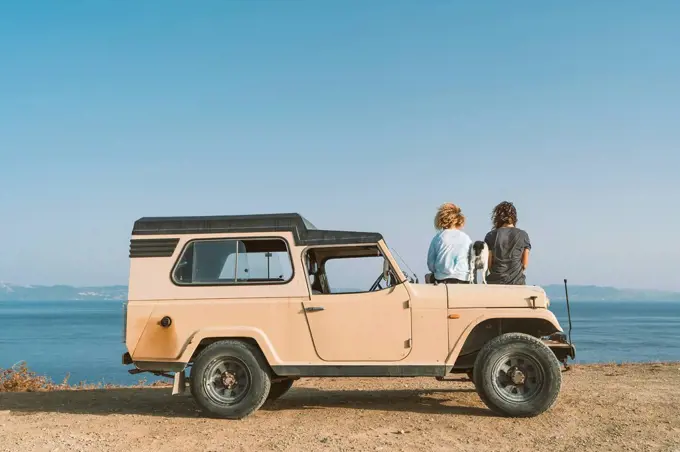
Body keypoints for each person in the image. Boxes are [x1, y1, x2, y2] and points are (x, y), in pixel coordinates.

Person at [484, 201, 531, 285]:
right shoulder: (523, 235)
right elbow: (524, 265)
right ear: (514, 217)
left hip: (495, 282)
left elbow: (489, 264)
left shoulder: (490, 235)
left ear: (498, 217)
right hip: (517, 283)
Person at [427, 203, 472, 284]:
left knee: (428, 277)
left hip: (442, 279)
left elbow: (430, 264)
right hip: (463, 278)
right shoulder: (466, 238)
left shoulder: (438, 238)